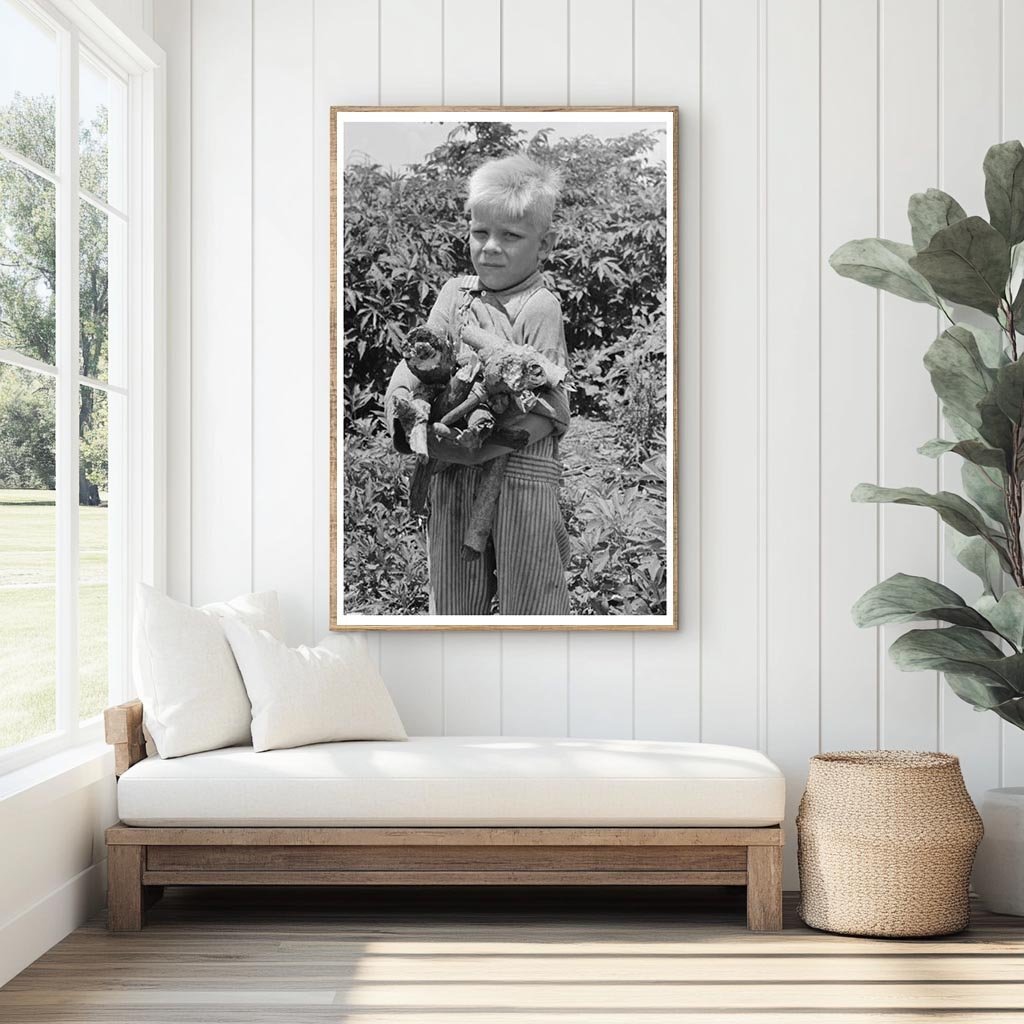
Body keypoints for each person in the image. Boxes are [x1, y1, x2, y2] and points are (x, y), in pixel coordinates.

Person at [385, 153, 572, 615]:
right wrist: (404, 402)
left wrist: (478, 449)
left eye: (511, 236)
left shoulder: (539, 306)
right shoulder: (456, 296)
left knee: (532, 601)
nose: (490, 247)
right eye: (480, 232)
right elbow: (419, 356)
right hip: (451, 471)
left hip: (520, 474)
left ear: (545, 243)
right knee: (453, 604)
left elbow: (551, 408)